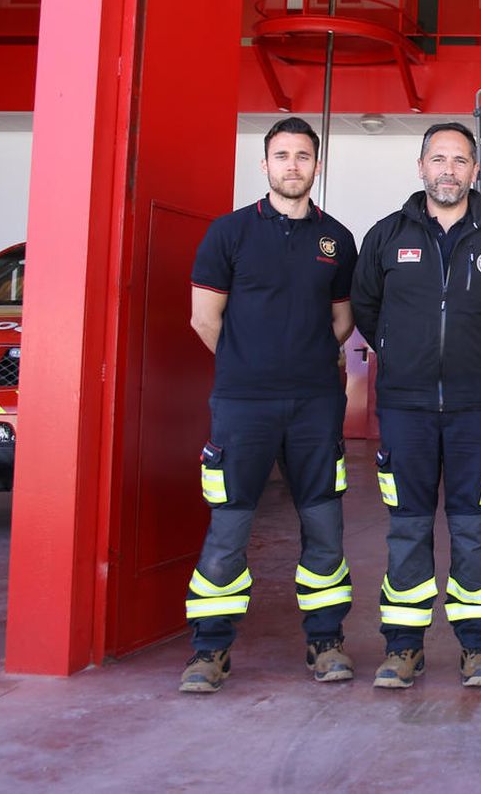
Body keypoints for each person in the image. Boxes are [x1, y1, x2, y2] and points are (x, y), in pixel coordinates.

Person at [351, 122, 481, 690]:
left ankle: (478, 648)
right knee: (406, 527)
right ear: (421, 166)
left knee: (473, 527)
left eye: (461, 161)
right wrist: (401, 355)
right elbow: (366, 308)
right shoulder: (386, 236)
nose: (449, 170)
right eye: (439, 159)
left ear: (476, 171)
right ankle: (403, 648)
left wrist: (478, 359)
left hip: (475, 410)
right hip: (404, 409)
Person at [181, 116, 358, 693]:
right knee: (229, 528)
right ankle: (210, 650)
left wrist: (300, 362)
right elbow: (204, 319)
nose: (292, 166)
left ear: (316, 165)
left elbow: (341, 320)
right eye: (282, 156)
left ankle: (326, 641)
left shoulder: (337, 239)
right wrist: (250, 364)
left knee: (323, 526)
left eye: (303, 156)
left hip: (314, 406)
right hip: (243, 407)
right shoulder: (228, 234)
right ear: (264, 165)